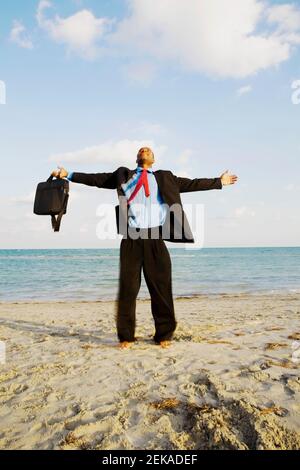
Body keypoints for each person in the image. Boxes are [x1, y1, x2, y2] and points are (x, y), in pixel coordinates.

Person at [52, 147, 238, 349]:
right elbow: (96, 179)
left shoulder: (165, 177)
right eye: (142, 150)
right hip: (131, 238)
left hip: (155, 238)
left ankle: (163, 334)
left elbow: (192, 184)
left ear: (153, 159)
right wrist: (68, 174)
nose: (145, 150)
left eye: (148, 150)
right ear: (137, 158)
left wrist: (219, 182)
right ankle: (126, 336)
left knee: (161, 288)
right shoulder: (123, 175)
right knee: (128, 290)